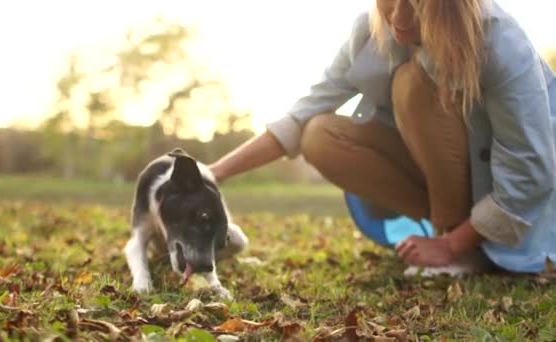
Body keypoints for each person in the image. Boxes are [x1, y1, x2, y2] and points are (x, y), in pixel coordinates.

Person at [209, 0, 556, 274]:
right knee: (319, 134)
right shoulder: (369, 30)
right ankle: (452, 234)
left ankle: (458, 245)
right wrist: (214, 172)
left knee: (412, 85)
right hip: (444, 182)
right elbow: (300, 116)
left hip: (519, 202)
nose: (399, 16)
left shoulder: (501, 43)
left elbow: (532, 173)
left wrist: (452, 246)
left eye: (419, 3)